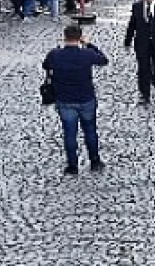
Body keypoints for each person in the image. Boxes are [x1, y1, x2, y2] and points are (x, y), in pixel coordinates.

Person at [42, 25, 108, 175]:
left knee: (69, 133)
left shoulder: (56, 54)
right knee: (90, 131)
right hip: (86, 98)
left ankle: (72, 165)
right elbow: (103, 60)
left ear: (64, 36)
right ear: (80, 37)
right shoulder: (86, 54)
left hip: (65, 99)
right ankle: (95, 161)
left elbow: (45, 65)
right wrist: (89, 44)